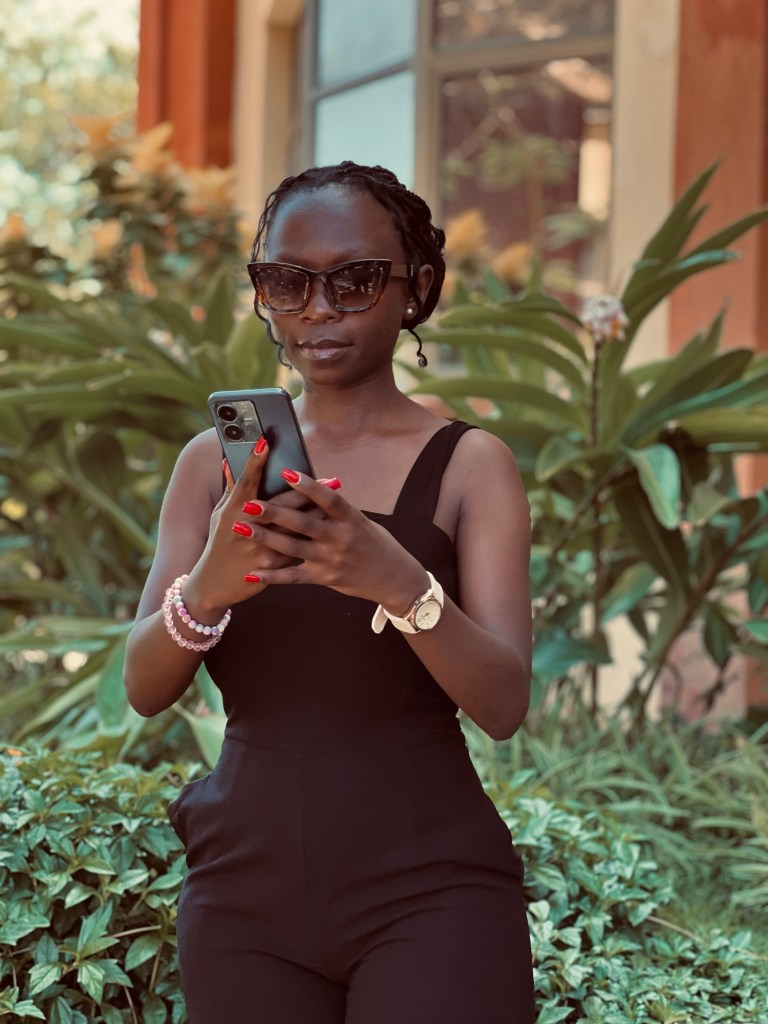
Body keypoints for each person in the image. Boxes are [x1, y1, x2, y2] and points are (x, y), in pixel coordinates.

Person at [124, 160, 534, 1023]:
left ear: (417, 288)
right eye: (287, 281)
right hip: (242, 894)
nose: (318, 308)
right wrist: (208, 589)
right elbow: (143, 686)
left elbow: (503, 704)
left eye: (355, 280)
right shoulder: (211, 467)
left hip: (434, 892)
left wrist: (396, 580)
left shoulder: (471, 466)